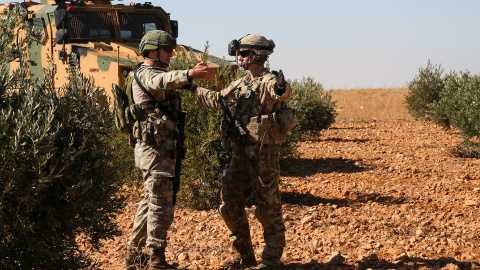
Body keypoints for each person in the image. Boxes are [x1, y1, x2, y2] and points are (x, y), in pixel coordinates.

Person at [193, 34, 293, 269]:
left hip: (262, 156)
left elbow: (283, 92)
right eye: (239, 53)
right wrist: (193, 88)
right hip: (240, 154)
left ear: (257, 56)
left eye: (244, 54)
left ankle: (270, 261)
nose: (240, 57)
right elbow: (219, 100)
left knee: (268, 208)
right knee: (230, 204)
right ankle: (243, 256)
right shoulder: (242, 83)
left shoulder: (268, 80)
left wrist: (281, 86)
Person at [125, 30, 215, 270]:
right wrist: (188, 73)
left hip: (158, 150)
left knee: (150, 201)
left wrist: (192, 82)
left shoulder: (155, 73)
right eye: (167, 50)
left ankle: (134, 257)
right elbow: (162, 81)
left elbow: (168, 81)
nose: (172, 54)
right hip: (154, 152)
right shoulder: (146, 73)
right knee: (161, 204)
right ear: (152, 51)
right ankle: (156, 260)